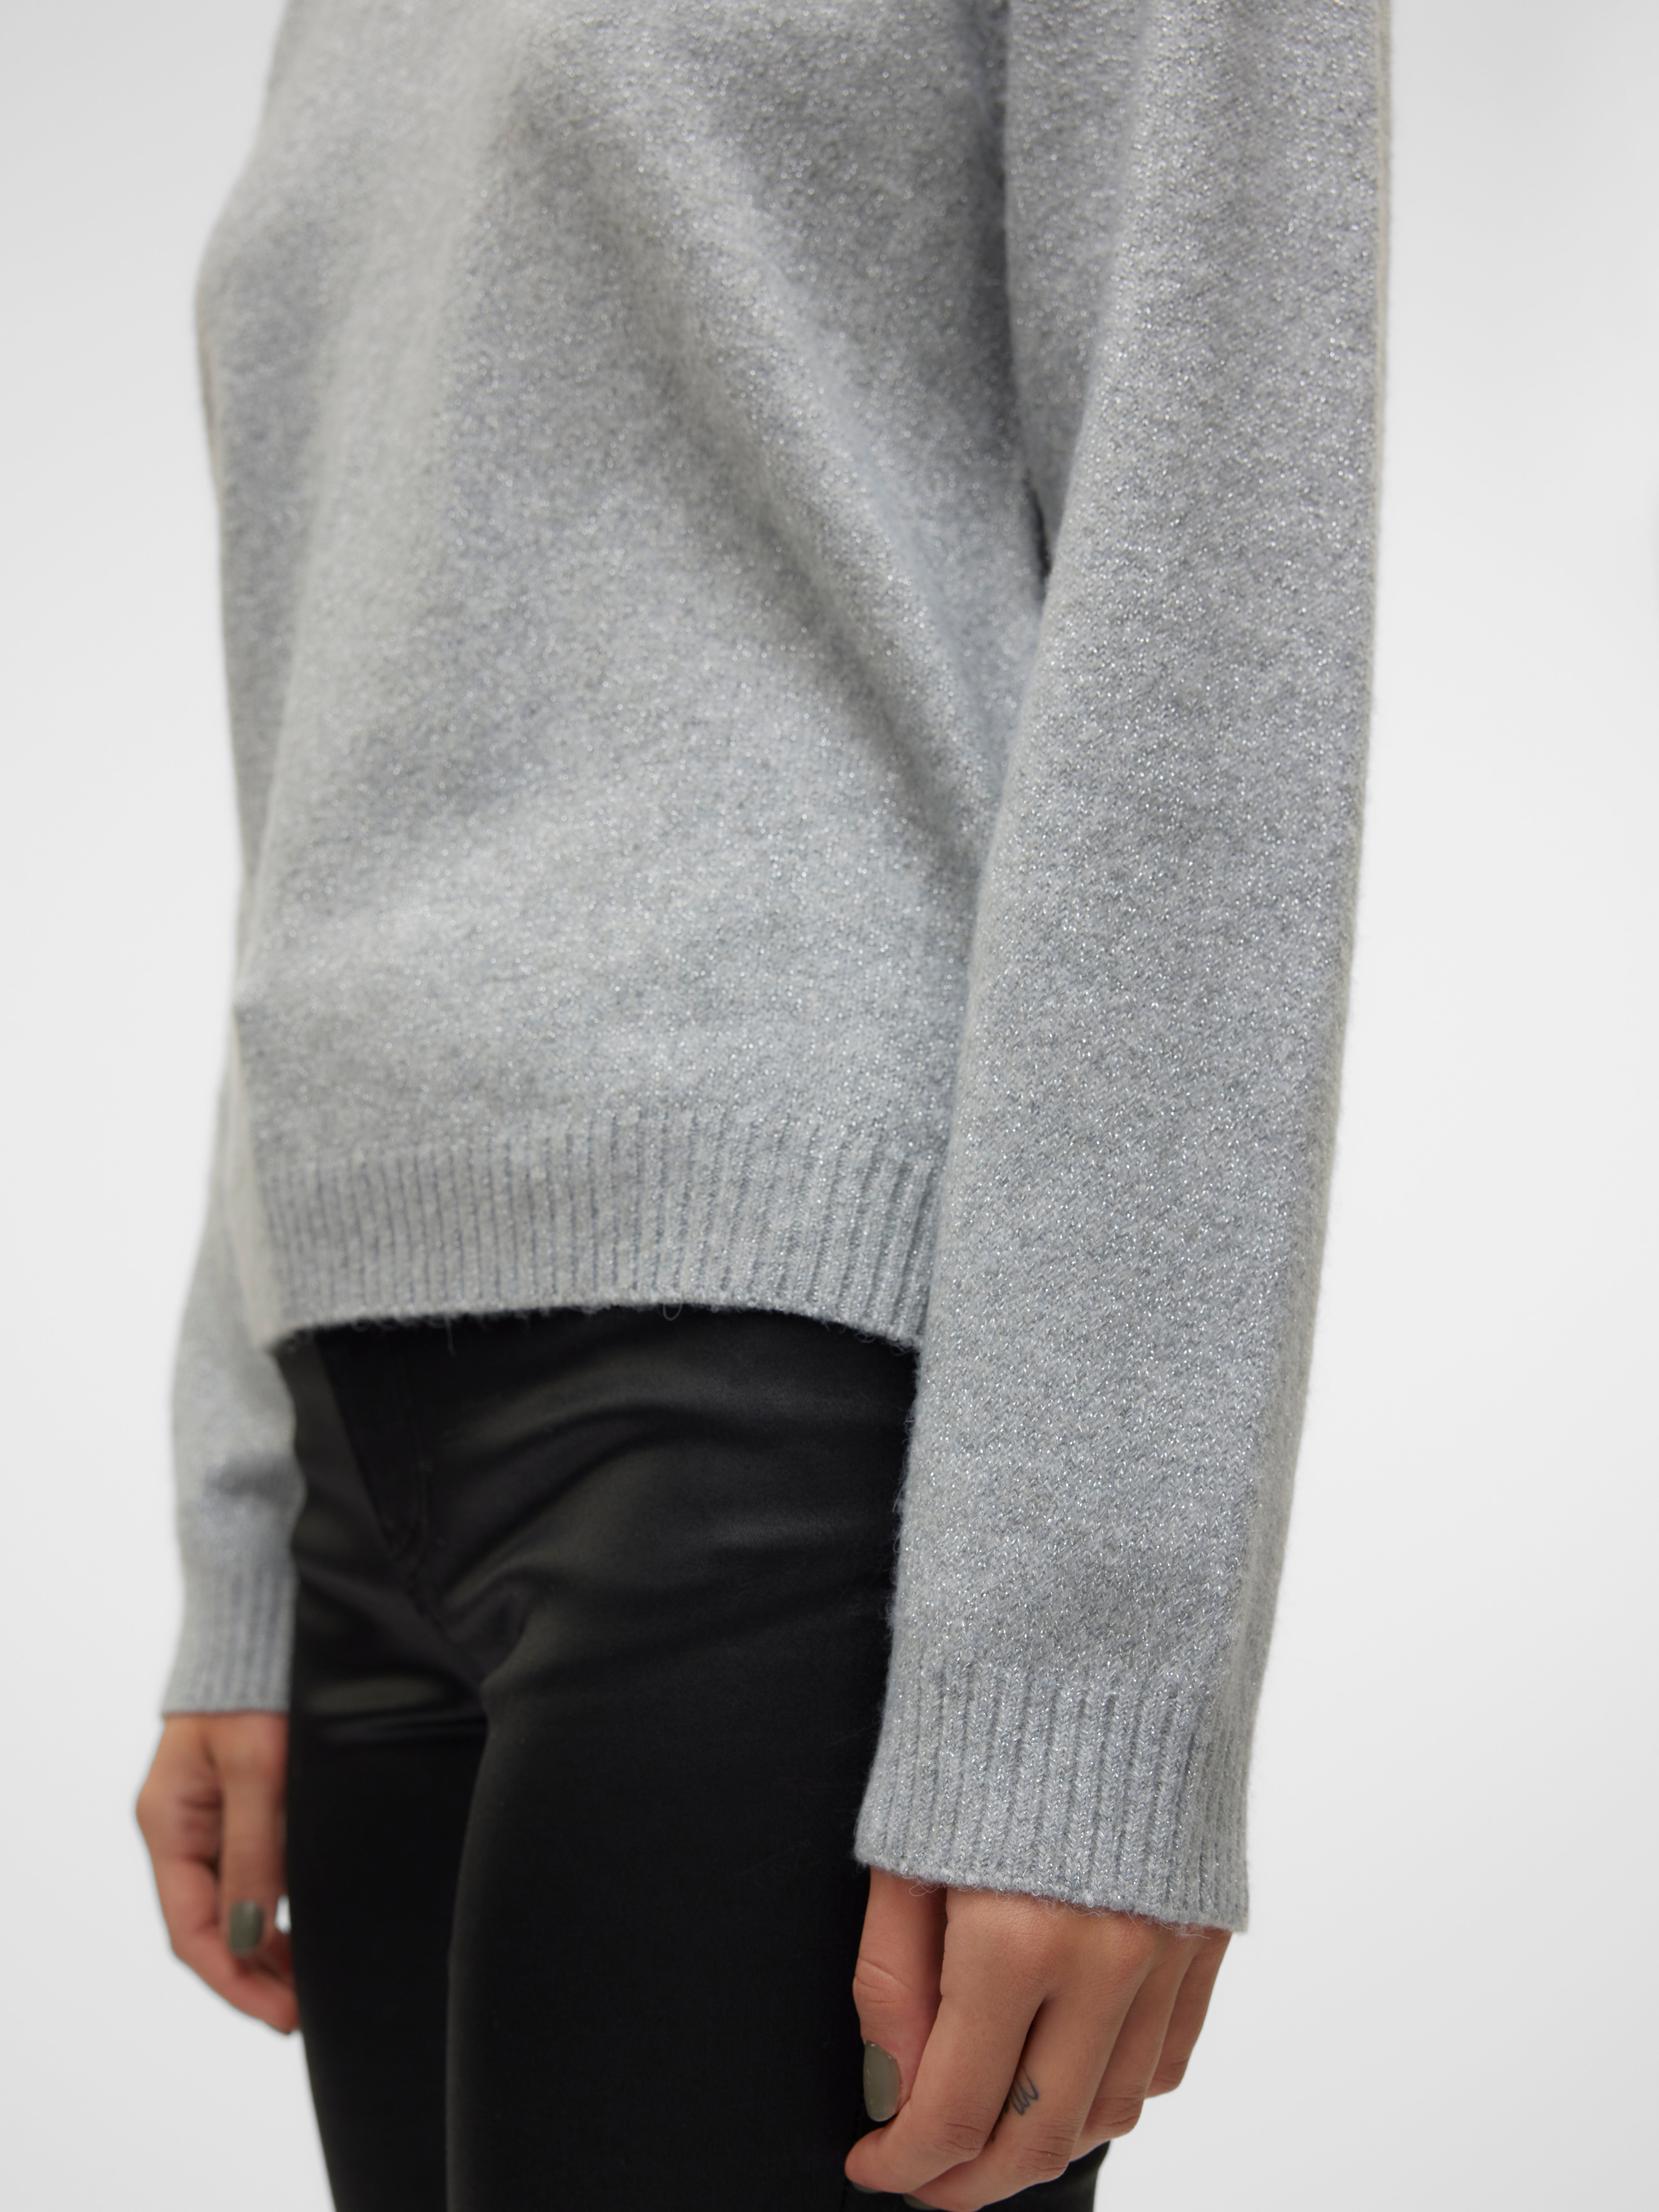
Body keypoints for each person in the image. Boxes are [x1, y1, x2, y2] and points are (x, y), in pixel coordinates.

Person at [135, 3, 1386, 2207]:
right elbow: (332, 704)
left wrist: (1083, 1682)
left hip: (784, 1445)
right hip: (360, 1460)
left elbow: (1210, 623)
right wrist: (248, 1516)